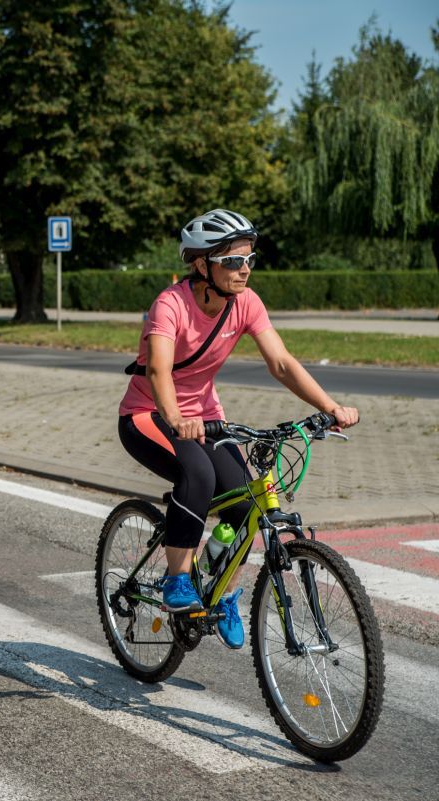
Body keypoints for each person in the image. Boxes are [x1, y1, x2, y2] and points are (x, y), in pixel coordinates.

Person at [117, 208, 359, 649]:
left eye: (249, 259)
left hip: (207, 420)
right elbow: (158, 370)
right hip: (149, 415)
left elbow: (280, 362)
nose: (244, 269)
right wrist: (175, 418)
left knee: (247, 505)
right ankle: (176, 580)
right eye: (232, 260)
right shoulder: (170, 305)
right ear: (201, 264)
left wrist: (329, 407)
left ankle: (224, 591)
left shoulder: (245, 302)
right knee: (198, 475)